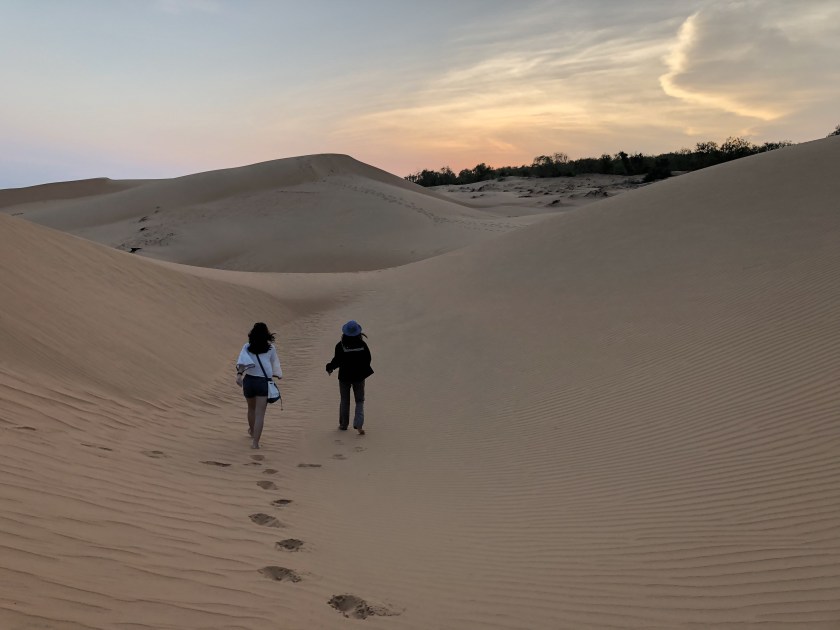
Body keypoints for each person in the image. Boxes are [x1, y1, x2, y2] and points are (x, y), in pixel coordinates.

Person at [236, 322, 282, 449]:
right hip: (262, 382)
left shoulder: (247, 346)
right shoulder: (271, 348)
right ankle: (255, 443)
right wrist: (278, 374)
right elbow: (275, 363)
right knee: (260, 414)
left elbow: (242, 362)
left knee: (251, 409)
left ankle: (252, 431)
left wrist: (239, 375)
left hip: (249, 381)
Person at [325, 320, 373, 435]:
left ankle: (343, 425)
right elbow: (368, 359)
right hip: (359, 377)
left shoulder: (340, 345)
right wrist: (362, 369)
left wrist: (329, 367)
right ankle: (359, 424)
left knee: (344, 400)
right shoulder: (362, 345)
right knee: (360, 400)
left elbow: (336, 361)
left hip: (344, 377)